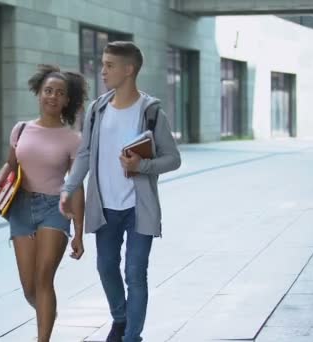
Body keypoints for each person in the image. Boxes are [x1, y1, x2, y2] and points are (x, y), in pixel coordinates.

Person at [60, 41, 182, 342]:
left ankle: (131, 337)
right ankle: (120, 317)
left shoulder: (151, 111)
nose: (103, 71)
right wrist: (69, 187)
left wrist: (142, 166)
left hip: (138, 208)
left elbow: (173, 158)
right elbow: (86, 153)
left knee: (136, 275)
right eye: (103, 64)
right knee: (105, 267)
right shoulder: (97, 109)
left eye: (109, 65)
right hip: (104, 206)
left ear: (129, 70)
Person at [0, 64, 87, 342]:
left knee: (44, 277)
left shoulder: (73, 139)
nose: (52, 96)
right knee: (29, 287)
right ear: (39, 93)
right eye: (48, 91)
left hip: (55, 208)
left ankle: (42, 337)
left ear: (67, 100)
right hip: (20, 207)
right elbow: (11, 164)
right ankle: (48, 312)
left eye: (59, 93)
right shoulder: (21, 130)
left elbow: (76, 185)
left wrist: (79, 231)